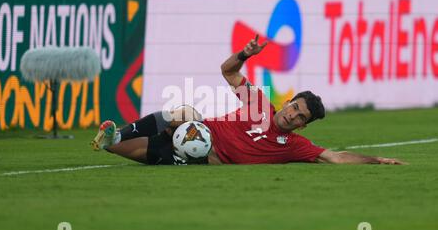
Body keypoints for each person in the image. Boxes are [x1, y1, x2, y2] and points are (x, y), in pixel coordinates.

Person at [91, 35, 405, 166]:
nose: (292, 116)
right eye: (294, 107)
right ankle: (118, 132)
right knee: (186, 111)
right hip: (195, 130)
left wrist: (377, 161)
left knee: (117, 151)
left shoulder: (294, 146)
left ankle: (113, 141)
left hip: (198, 158)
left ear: (304, 126)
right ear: (287, 101)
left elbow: (335, 157)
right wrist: (244, 55)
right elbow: (227, 72)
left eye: (300, 117)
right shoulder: (259, 104)